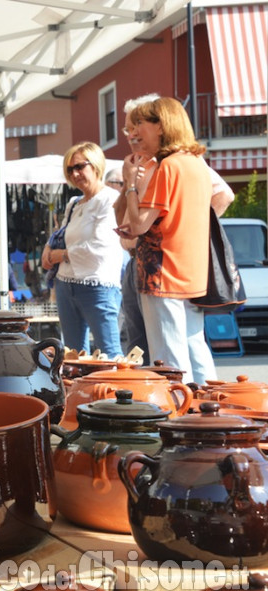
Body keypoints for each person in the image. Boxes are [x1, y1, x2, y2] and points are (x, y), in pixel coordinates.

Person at [117, 96, 228, 383]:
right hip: (189, 269)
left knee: (168, 356)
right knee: (194, 347)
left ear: (162, 126)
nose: (134, 132)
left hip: (161, 271)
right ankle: (205, 410)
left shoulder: (168, 166)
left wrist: (129, 183)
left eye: (141, 123)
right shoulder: (196, 164)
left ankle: (178, 416)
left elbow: (140, 224)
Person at [41, 142, 124, 357]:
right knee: (73, 355)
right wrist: (50, 246)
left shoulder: (110, 200)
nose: (75, 173)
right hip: (66, 284)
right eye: (70, 169)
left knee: (110, 354)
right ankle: (82, 391)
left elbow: (100, 247)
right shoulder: (74, 203)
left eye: (79, 166)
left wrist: (62, 255)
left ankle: (117, 391)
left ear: (96, 165)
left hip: (98, 286)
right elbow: (63, 233)